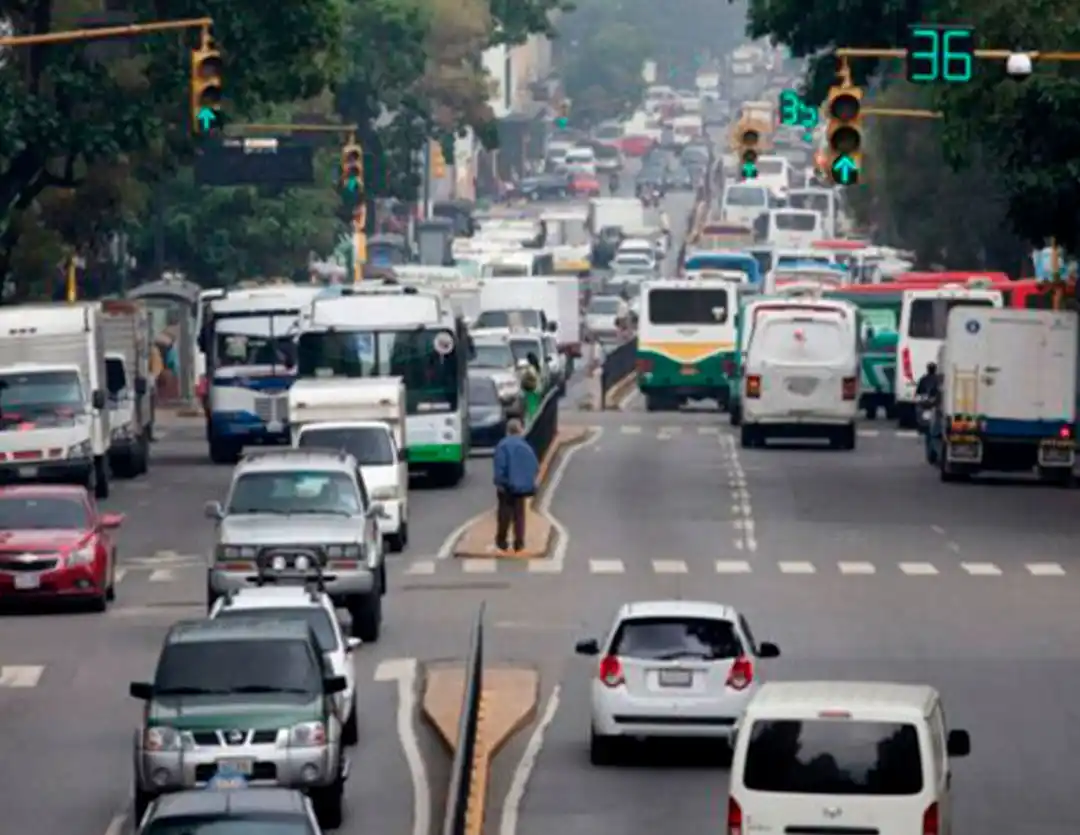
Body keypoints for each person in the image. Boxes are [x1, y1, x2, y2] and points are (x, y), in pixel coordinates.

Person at [492, 418, 539, 551]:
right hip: (521, 487)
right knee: (519, 515)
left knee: (504, 514)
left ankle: (502, 541)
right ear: (520, 430)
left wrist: (499, 481)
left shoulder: (502, 445)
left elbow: (500, 465)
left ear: (507, 431)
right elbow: (534, 466)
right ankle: (519, 542)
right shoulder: (525, 446)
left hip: (506, 486)